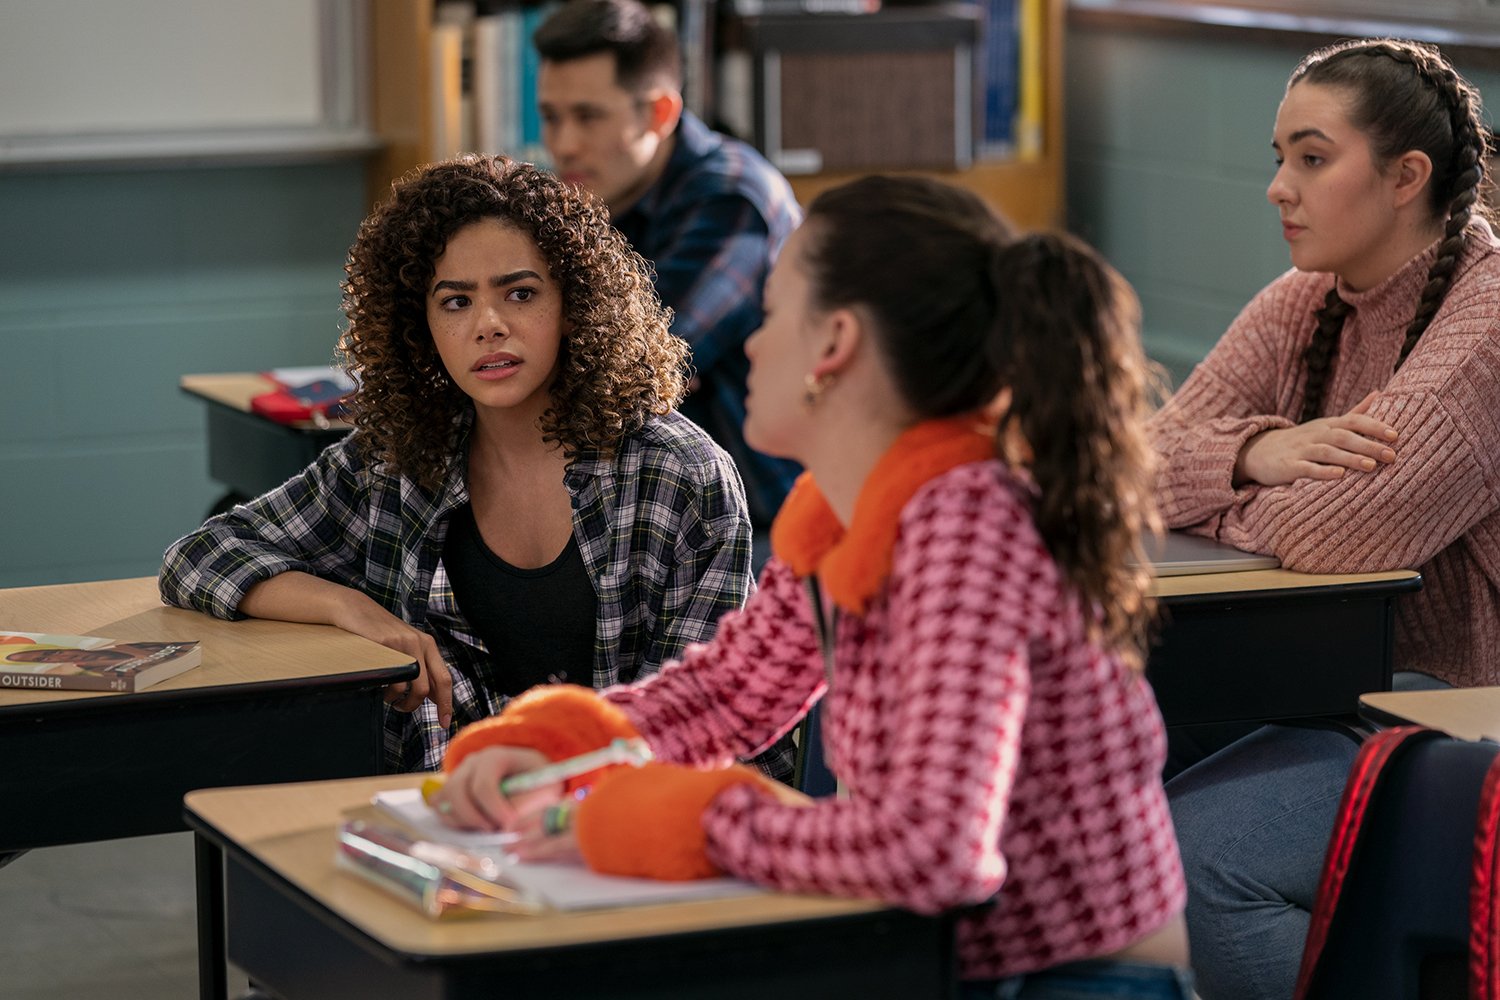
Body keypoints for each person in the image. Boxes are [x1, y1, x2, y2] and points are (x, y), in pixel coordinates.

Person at [430, 175, 1193, 998]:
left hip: (1075, 981)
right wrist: (555, 747)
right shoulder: (845, 503)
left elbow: (936, 850)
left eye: (773, 312)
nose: (752, 344)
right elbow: (734, 691)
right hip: (931, 961)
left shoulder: (968, 522)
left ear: (834, 343)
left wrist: (690, 820)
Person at [159, 155, 787, 777]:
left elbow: (693, 723)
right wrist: (350, 609)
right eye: (455, 303)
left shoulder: (679, 474)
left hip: (631, 819)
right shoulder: (399, 459)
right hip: (455, 819)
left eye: (520, 293)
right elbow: (201, 556)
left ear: (575, 306)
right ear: (421, 325)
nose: (489, 325)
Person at [1146, 38, 1500, 1000]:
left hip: (1454, 714)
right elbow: (1128, 466)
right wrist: (1253, 453)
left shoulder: (1486, 317)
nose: (1278, 188)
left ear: (1406, 178)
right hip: (1329, 689)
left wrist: (1227, 491)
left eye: (1311, 157)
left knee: (1190, 860)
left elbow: (1337, 533)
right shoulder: (1306, 302)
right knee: (1072, 770)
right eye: (1276, 157)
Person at [533, 0, 803, 535]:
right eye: (551, 117)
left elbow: (634, 368)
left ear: (659, 113)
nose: (563, 145)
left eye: (588, 116)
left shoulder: (731, 200)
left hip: (764, 533)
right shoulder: (597, 195)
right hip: (660, 519)